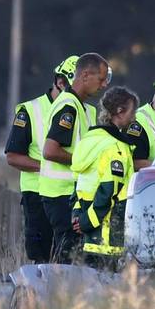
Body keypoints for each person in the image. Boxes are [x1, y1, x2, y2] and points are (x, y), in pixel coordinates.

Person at [2, 55, 78, 263]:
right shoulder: (30, 110)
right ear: (60, 83)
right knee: (43, 258)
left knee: (72, 257)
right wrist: (47, 166)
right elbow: (13, 156)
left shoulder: (87, 109)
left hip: (73, 194)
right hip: (37, 196)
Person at [41, 52, 109, 263]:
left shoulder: (78, 105)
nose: (104, 85)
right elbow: (50, 150)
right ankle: (62, 295)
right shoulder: (69, 106)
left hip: (68, 193)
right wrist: (86, 162)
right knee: (69, 258)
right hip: (60, 194)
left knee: (74, 256)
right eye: (101, 79)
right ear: (85, 75)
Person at [70, 86, 139, 270]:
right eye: (132, 112)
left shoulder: (89, 140)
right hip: (107, 238)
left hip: (88, 236)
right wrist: (87, 222)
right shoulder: (116, 147)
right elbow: (108, 192)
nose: (134, 118)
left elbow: (80, 185)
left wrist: (78, 216)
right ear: (119, 112)